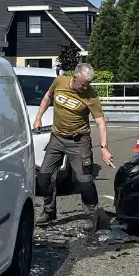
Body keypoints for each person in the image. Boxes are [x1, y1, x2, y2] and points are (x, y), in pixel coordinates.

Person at [31, 63, 115, 228]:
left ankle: (93, 215)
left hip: (79, 141)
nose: (85, 87)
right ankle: (49, 211)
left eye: (88, 84)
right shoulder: (60, 82)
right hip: (57, 138)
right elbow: (48, 96)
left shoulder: (90, 95)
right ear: (74, 78)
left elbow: (100, 121)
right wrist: (38, 117)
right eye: (83, 84)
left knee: (84, 180)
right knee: (44, 175)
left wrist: (104, 148)